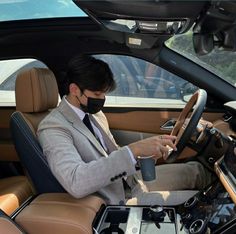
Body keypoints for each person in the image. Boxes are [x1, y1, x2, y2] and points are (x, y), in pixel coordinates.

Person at [37, 55, 213, 206]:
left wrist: (146, 154)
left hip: (131, 180)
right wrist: (133, 150)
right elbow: (76, 181)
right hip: (116, 199)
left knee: (197, 171)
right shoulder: (53, 127)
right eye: (97, 94)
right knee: (208, 201)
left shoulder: (93, 115)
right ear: (74, 90)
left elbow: (110, 155)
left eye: (104, 94)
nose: (102, 99)